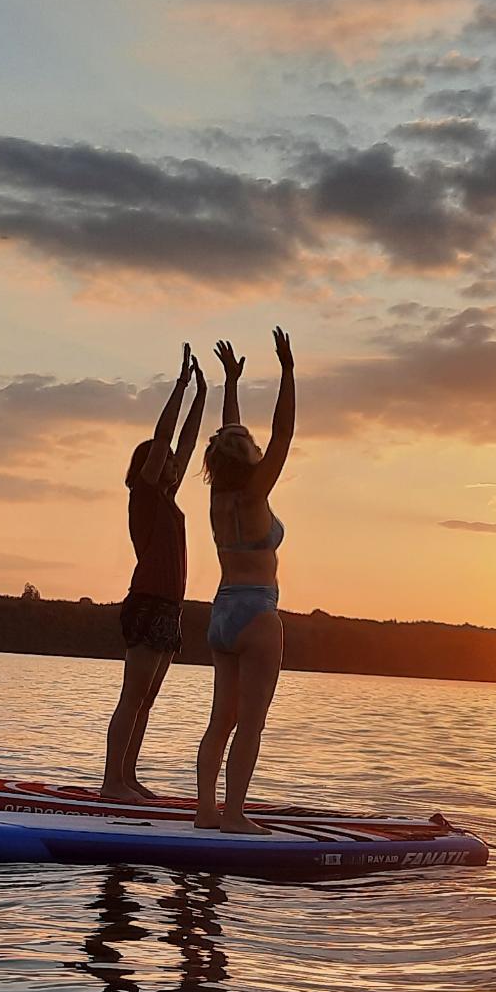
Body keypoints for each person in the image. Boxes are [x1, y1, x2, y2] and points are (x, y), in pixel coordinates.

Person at [195, 327, 295, 834]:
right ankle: (234, 816)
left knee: (221, 721)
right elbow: (282, 435)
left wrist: (231, 381)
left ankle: (206, 811)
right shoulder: (255, 493)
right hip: (257, 614)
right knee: (250, 722)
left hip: (221, 612)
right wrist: (288, 372)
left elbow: (230, 433)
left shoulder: (218, 496)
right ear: (248, 457)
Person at [103, 345, 207, 802]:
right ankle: (112, 783)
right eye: (163, 462)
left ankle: (128, 777)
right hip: (146, 604)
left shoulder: (167, 497)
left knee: (147, 700)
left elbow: (183, 444)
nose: (172, 464)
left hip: (170, 609)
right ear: (148, 465)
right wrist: (180, 387)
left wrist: (204, 394)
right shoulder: (143, 494)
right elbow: (165, 437)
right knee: (133, 696)